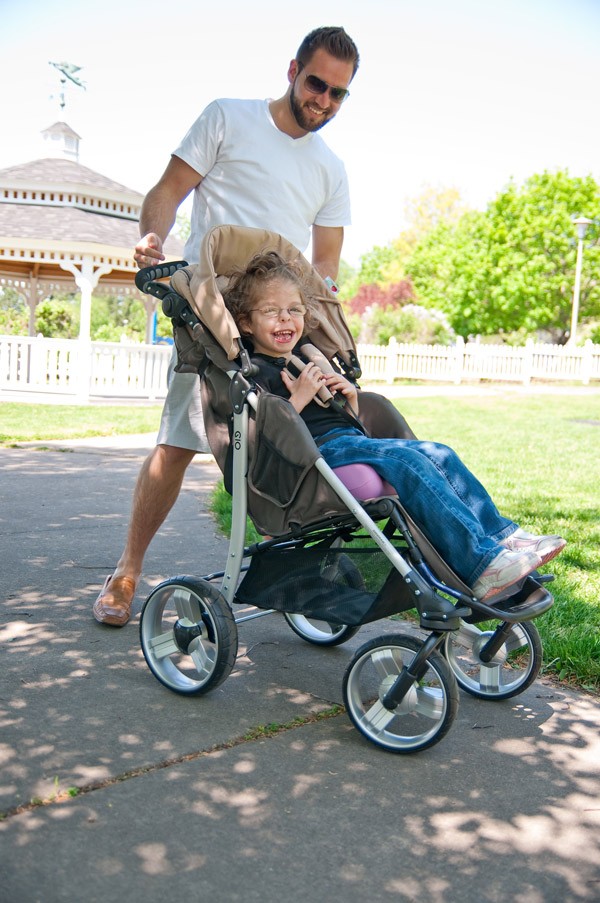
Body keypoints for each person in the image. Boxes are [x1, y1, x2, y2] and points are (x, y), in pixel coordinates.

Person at [94, 26, 360, 625]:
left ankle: (287, 571)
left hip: (281, 327)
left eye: (338, 94)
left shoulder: (331, 168)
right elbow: (168, 191)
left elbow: (323, 265)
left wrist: (324, 304)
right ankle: (128, 569)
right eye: (316, 83)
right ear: (293, 70)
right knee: (178, 445)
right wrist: (155, 240)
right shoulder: (227, 118)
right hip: (212, 317)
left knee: (291, 441)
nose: (323, 101)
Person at [222, 251, 566, 600]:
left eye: (294, 309)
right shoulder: (254, 373)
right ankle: (482, 566)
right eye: (270, 311)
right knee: (409, 462)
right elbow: (262, 442)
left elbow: (343, 420)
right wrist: (297, 400)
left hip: (347, 439)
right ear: (246, 323)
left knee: (438, 452)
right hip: (316, 456)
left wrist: (349, 400)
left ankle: (504, 537)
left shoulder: (305, 357)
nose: (286, 319)